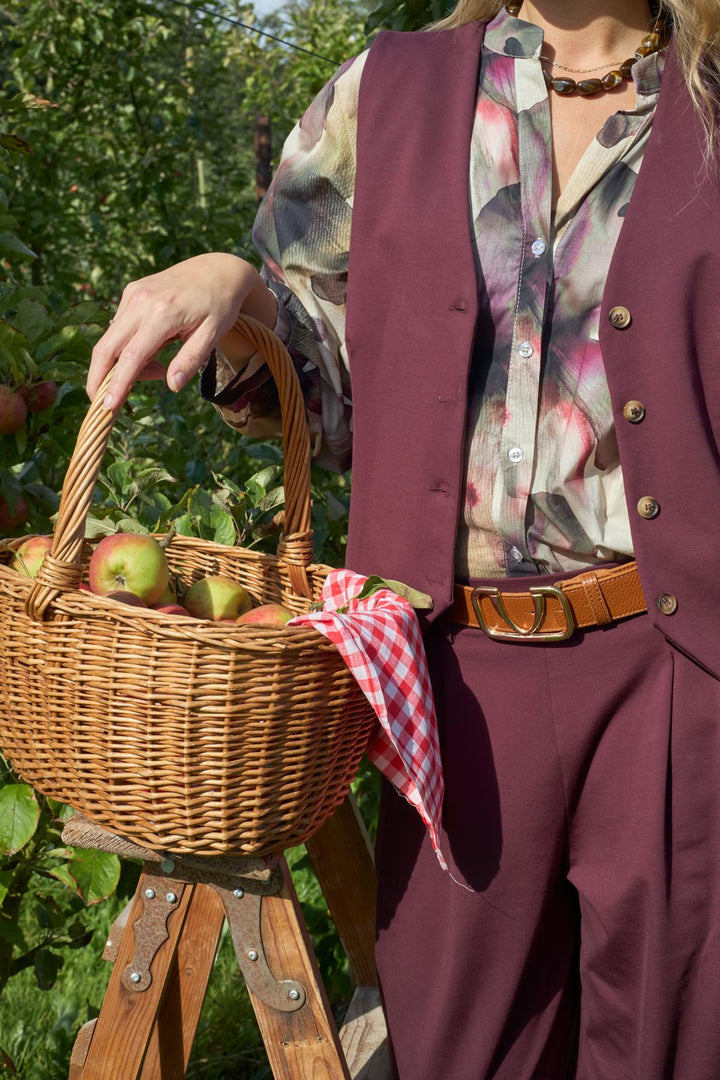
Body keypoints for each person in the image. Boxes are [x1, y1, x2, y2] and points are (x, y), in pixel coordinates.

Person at [86, 2, 720, 1076]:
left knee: (672, 1043)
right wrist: (240, 295)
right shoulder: (391, 89)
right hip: (450, 676)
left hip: (675, 668)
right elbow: (326, 388)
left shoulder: (709, 98)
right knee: (459, 1050)